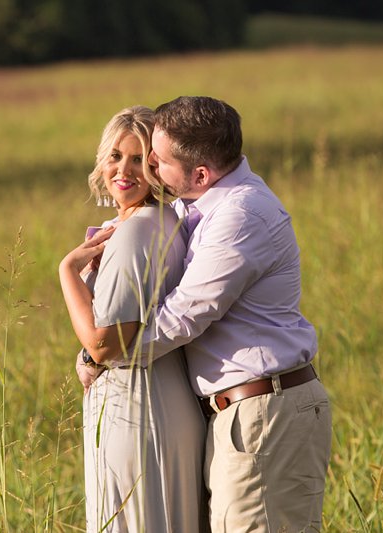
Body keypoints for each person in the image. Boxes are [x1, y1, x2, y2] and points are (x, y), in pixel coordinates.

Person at [86, 96, 332, 532]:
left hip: (262, 416)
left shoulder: (240, 215)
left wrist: (103, 353)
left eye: (156, 162)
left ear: (200, 173)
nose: (149, 172)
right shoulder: (197, 205)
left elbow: (183, 317)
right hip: (237, 413)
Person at [58, 105, 206, 533]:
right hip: (157, 400)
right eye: (115, 156)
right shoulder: (164, 222)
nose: (124, 169)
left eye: (139, 158)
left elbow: (105, 343)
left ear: (157, 165)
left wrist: (67, 271)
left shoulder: (136, 230)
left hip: (137, 409)